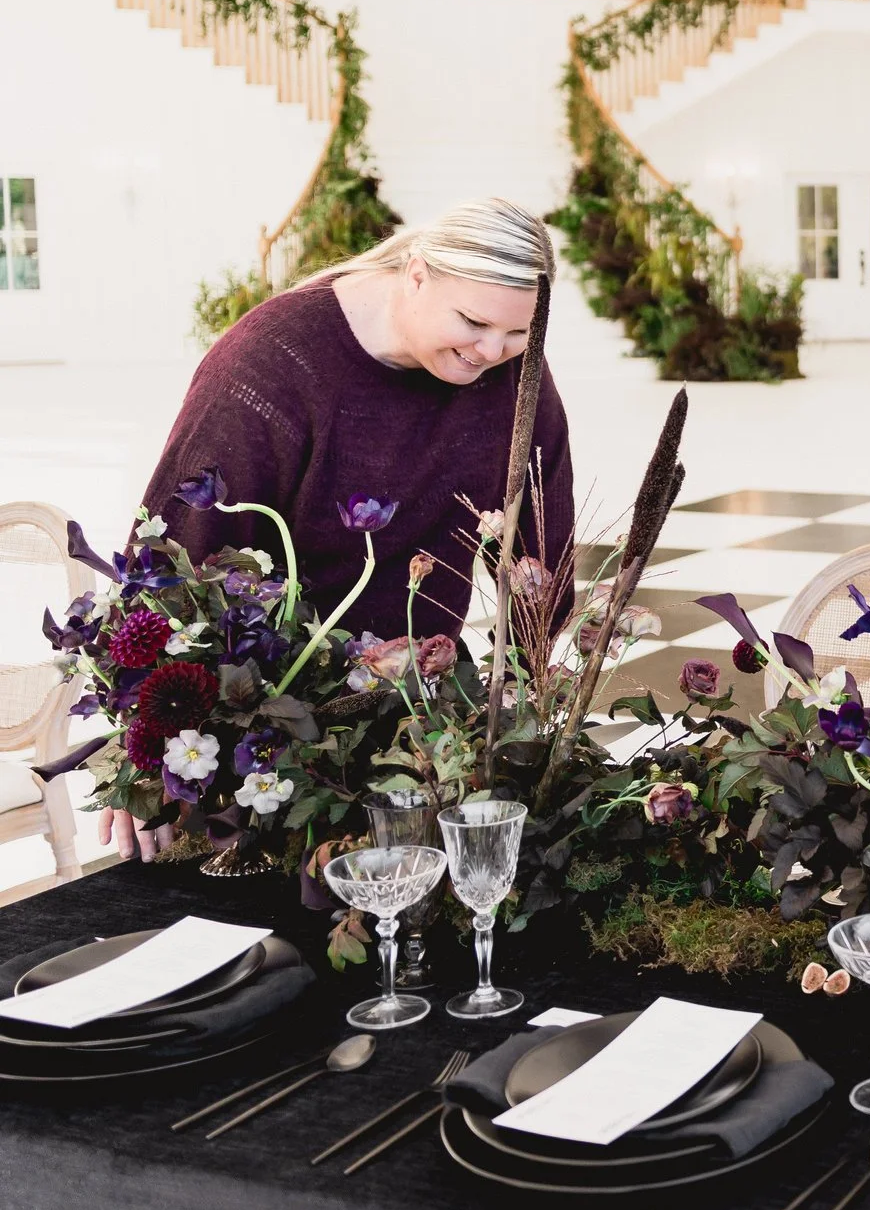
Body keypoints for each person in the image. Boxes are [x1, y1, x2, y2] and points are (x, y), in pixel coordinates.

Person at [101, 198, 574, 860]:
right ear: (416, 275)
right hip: (269, 729)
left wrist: (526, 710)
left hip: (421, 715)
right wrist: (148, 751)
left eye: (518, 334)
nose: (493, 351)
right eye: (472, 321)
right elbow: (176, 555)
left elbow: (543, 545)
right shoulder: (275, 362)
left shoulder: (510, 372)